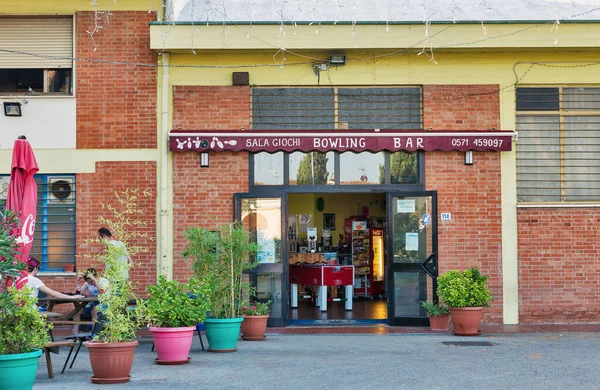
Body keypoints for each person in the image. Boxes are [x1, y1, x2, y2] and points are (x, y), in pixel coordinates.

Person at [72, 268, 108, 333]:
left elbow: (102, 292)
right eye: (89, 282)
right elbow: (79, 292)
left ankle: (94, 335)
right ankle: (75, 336)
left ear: (96, 276)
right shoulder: (88, 283)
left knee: (94, 310)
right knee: (76, 312)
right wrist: (77, 282)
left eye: (91, 282)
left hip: (105, 302)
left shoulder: (104, 281)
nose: (90, 284)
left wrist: (95, 281)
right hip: (93, 302)